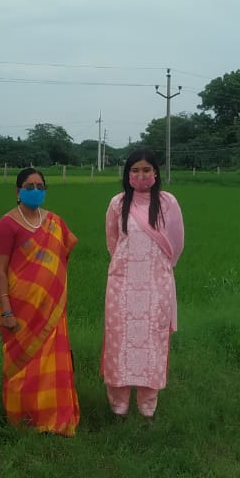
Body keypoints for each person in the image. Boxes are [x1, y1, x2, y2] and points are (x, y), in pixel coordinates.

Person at [0, 168, 80, 436]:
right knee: (21, 366)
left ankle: (56, 419)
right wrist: (6, 309)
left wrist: (51, 292)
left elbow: (62, 259)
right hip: (20, 309)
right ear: (18, 192)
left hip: (51, 310)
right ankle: (24, 420)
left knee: (54, 366)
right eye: (28, 186)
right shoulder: (6, 224)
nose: (35, 190)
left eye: (40, 185)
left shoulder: (55, 222)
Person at [101, 148, 185, 420]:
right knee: (120, 344)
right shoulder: (117, 203)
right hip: (122, 287)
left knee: (152, 343)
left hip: (156, 285)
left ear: (155, 172)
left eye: (146, 169)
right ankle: (118, 408)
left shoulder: (167, 202)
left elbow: (176, 243)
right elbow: (113, 242)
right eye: (135, 170)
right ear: (127, 174)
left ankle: (148, 408)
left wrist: (156, 272)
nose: (140, 175)